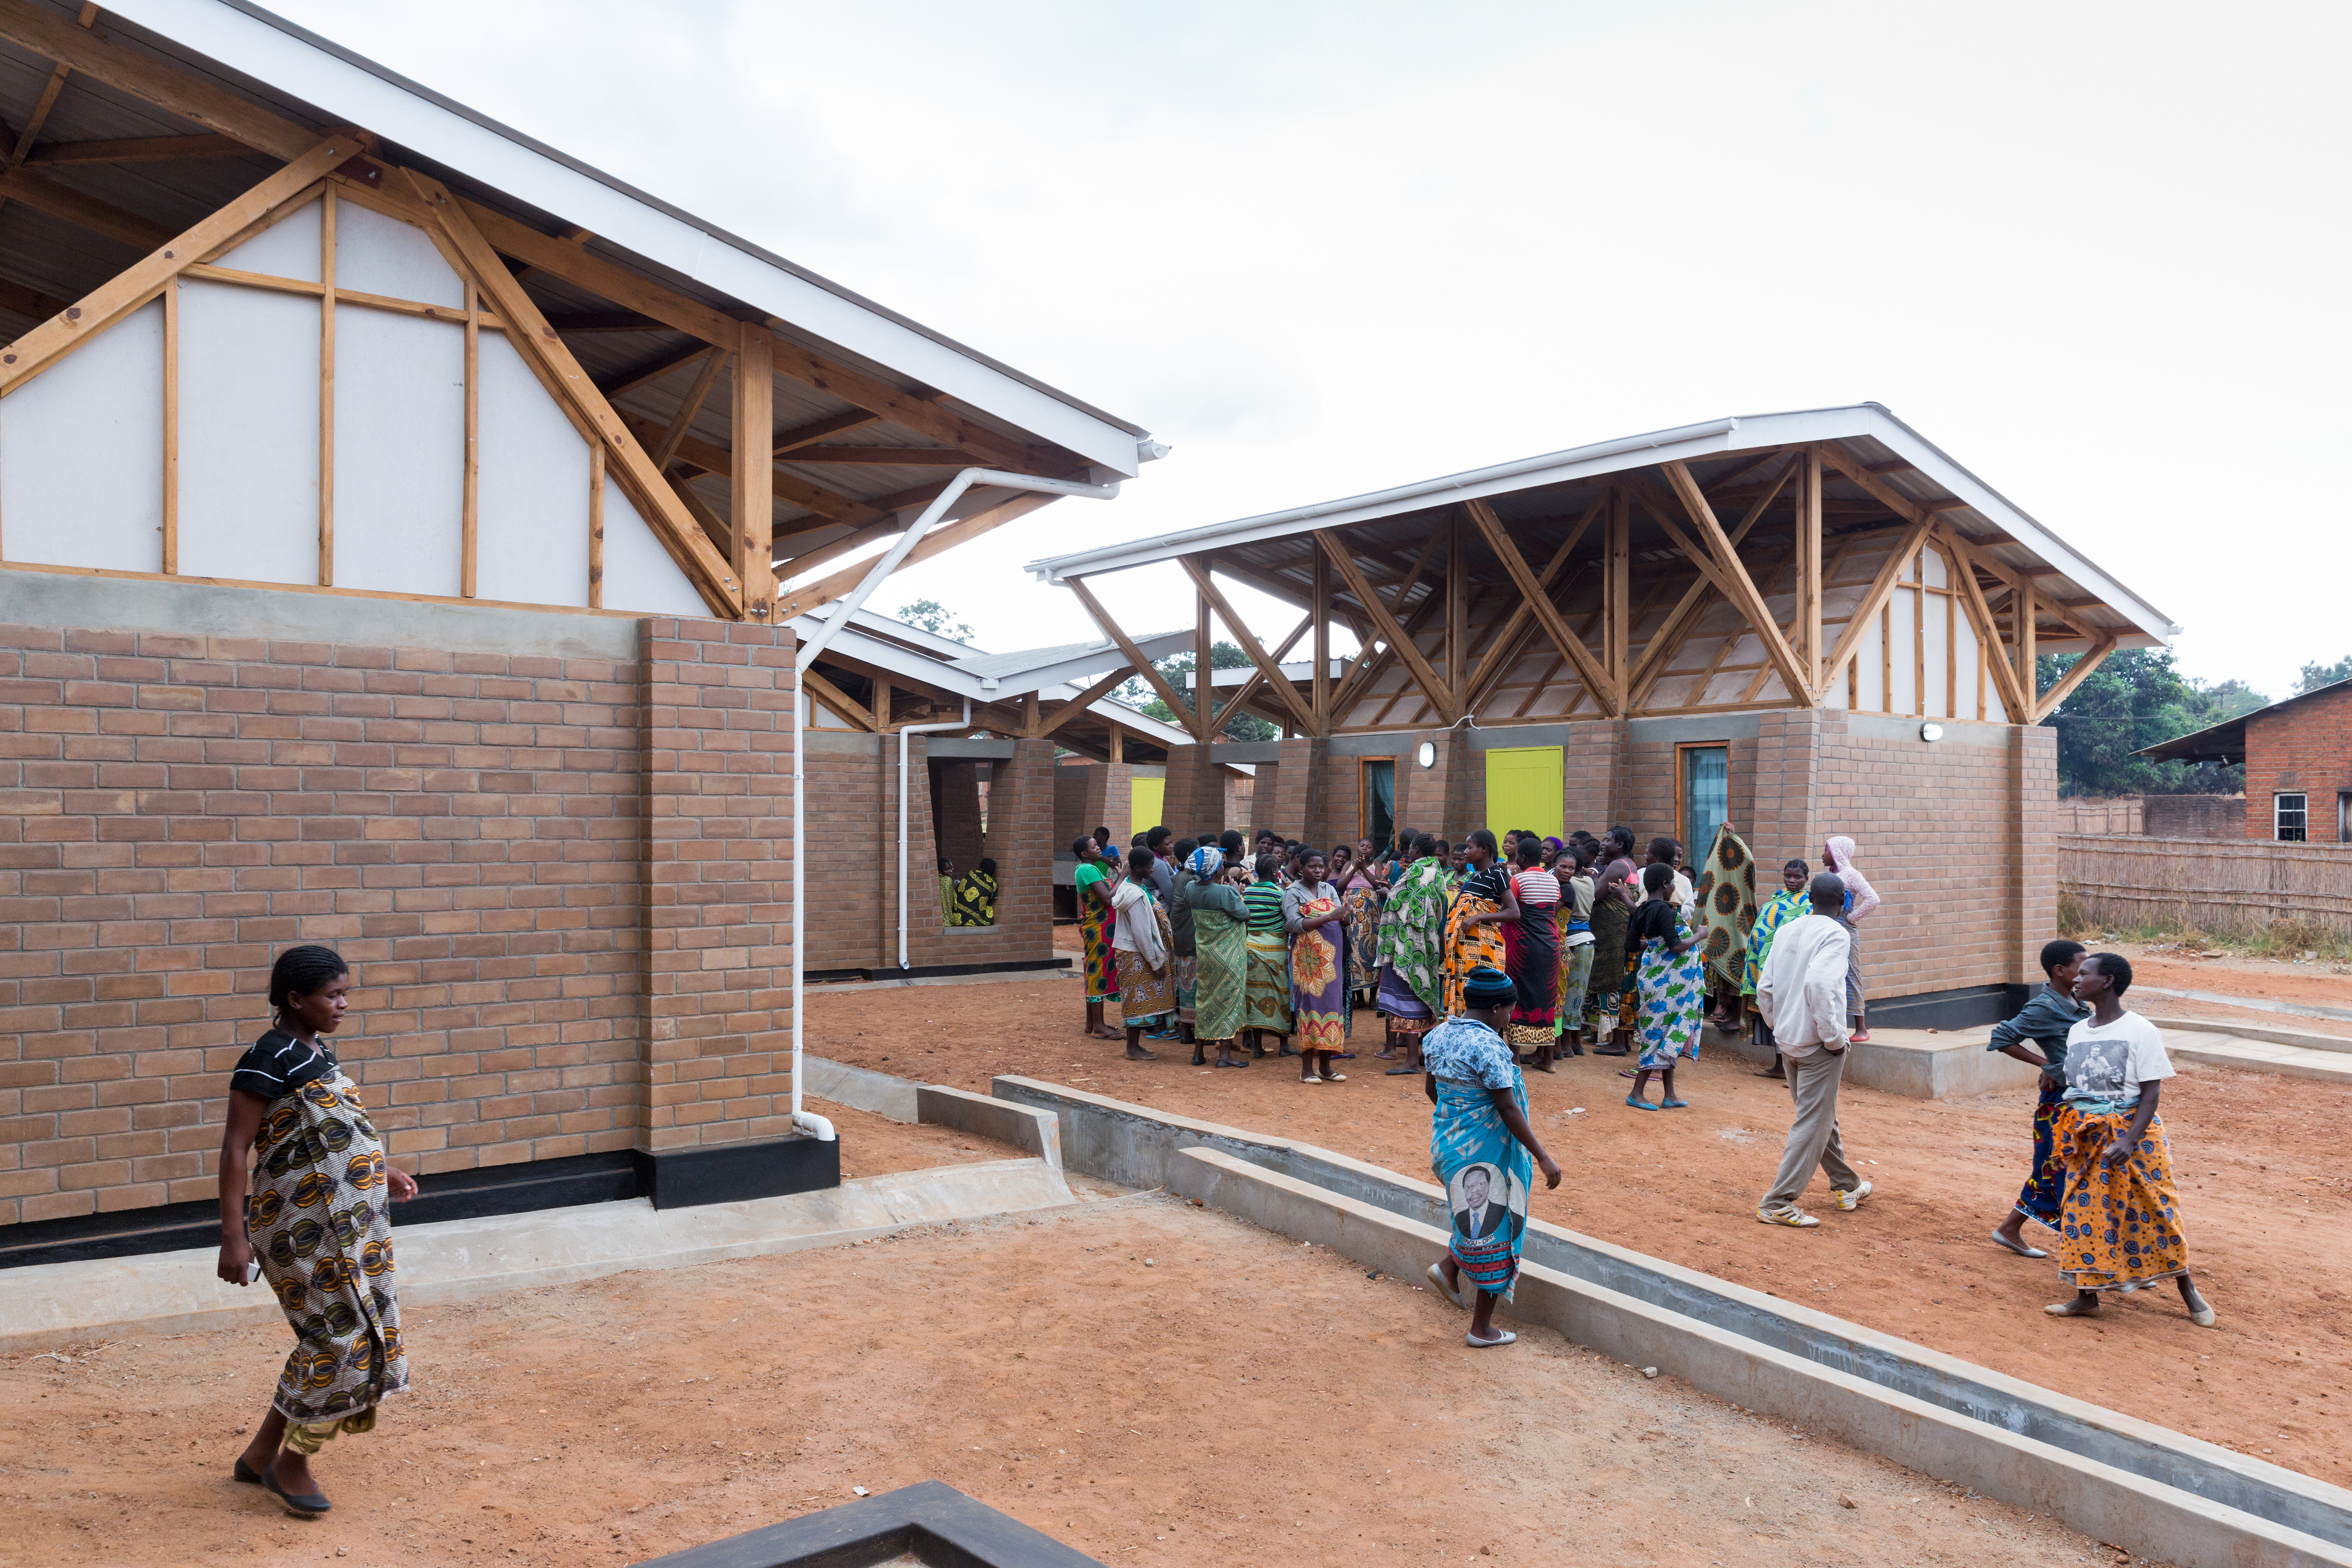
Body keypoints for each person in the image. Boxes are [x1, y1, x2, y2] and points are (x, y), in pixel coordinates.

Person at [217, 945, 417, 1516]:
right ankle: (293, 1459)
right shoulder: (266, 1057)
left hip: (345, 1226)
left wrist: (381, 1168)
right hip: (297, 1227)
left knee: (329, 1335)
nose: (343, 1004)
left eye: (344, 992)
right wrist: (233, 1235)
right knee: (340, 1338)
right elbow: (236, 1148)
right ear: (294, 999)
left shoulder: (315, 1050)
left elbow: (338, 1133)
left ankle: (260, 1454)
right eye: (332, 995)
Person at [2045, 954, 2215, 1327]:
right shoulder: (2078, 1030)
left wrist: (2129, 1141)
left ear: (2107, 981)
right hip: (2087, 1135)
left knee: (2155, 1210)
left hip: (2133, 1135)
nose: (2077, 978)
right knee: (2079, 1210)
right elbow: (2078, 1083)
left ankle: (2187, 1288)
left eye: (2085, 974)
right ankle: (2085, 1297)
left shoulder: (2141, 1030)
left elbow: (2151, 1094)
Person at [1422, 966, 1562, 1348]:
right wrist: (1542, 1157)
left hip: (1448, 1146)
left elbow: (1431, 1089)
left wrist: (1462, 1121)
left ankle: (1448, 1268)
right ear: (1497, 1008)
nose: (1510, 1018)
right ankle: (1481, 1329)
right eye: (1509, 1011)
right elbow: (1507, 1108)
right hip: (1483, 1156)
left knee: (1474, 1221)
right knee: (1494, 1227)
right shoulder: (1489, 1047)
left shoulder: (1437, 1035)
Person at [1754, 872, 1873, 1226]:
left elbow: (1766, 987)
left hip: (1789, 1040)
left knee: (1820, 1117)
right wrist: (1835, 1038)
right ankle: (1777, 1202)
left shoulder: (1789, 929)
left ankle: (1847, 1184)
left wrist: (1778, 1024)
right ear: (1842, 902)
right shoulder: (1837, 934)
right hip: (1818, 1044)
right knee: (1813, 1122)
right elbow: (1821, 984)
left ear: (1811, 899)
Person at [1987, 939, 2090, 1258]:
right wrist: (2046, 1065)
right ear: (2060, 971)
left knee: (2054, 1165)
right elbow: (2002, 1037)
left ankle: (2010, 1229)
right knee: (2059, 1167)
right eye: (2081, 967)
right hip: (2059, 1101)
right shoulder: (2044, 1007)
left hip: (2075, 1096)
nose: (2085, 972)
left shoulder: (2075, 1000)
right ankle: (2087, 1247)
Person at [1625, 863, 1704, 1110]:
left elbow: (1631, 946)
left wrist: (1654, 946)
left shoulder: (1642, 910)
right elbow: (1676, 946)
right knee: (1659, 1034)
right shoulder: (1665, 911)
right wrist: (1700, 935)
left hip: (1653, 978)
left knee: (1668, 1031)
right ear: (1664, 885)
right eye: (1672, 882)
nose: (1673, 887)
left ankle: (1670, 1094)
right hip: (1668, 983)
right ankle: (1636, 1093)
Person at [1376, 833, 1448, 1075]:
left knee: (1409, 994)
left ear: (1416, 849)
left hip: (1410, 944)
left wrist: (1388, 894)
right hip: (1427, 941)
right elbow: (1438, 907)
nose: (1409, 853)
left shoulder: (1418, 872)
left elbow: (1402, 903)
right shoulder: (1436, 872)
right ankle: (1419, 1056)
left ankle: (1410, 1060)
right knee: (1422, 991)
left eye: (1411, 849)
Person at [1742, 860, 1813, 1078]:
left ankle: (1795, 1070)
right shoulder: (1777, 898)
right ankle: (1779, 1066)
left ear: (1806, 879)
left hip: (1791, 968)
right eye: (1788, 876)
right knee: (1776, 1015)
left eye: (1797, 877)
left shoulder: (1809, 904)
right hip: (1768, 966)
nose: (1792, 880)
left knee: (1791, 1017)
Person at [1285, 849, 1350, 1083]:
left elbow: (1341, 918)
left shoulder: (1328, 889)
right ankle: (1306, 1070)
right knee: (1309, 1007)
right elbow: (1293, 923)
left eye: (1321, 867)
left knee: (1331, 1005)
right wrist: (1330, 917)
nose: (1318, 871)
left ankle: (1326, 1067)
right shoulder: (1293, 891)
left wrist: (1345, 915)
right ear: (1301, 868)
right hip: (1308, 963)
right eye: (1313, 867)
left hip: (1330, 963)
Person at [1184, 846, 1250, 1069]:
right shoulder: (1224, 893)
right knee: (1229, 1001)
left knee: (1204, 999)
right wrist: (1236, 892)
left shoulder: (1190, 889)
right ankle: (1224, 1055)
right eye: (1220, 863)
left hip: (1205, 954)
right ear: (1214, 869)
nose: (1224, 866)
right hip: (1229, 956)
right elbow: (1244, 915)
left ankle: (1198, 1053)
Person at [1502, 836, 1563, 1071]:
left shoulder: (1518, 879)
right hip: (1550, 947)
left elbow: (1510, 909)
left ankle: (1515, 1058)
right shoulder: (1554, 882)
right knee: (1546, 998)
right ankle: (1548, 1060)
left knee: (1518, 995)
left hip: (1524, 947)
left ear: (1522, 858)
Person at [1443, 830, 1517, 1017]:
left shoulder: (1497, 874)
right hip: (1463, 951)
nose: (1466, 851)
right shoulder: (1473, 878)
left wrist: (1478, 917)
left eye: (1469, 847)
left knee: (1483, 999)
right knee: (1465, 997)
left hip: (1484, 949)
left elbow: (1514, 912)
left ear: (1484, 849)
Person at [1110, 847, 1173, 1060]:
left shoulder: (1133, 886)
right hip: (1137, 954)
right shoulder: (1135, 896)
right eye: (1149, 866)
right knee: (1137, 1002)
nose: (1152, 870)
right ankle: (1132, 1048)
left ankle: (1135, 1046)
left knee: (1138, 1000)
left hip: (1135, 952)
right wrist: (1155, 962)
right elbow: (1141, 932)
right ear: (1137, 868)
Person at [1694, 823, 1757, 1032]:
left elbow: (1747, 860)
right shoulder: (1716, 879)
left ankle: (1738, 1016)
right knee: (1723, 968)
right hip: (1724, 928)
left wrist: (1734, 840)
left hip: (1741, 927)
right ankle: (1726, 1008)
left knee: (1738, 967)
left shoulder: (1743, 876)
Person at [1585, 827, 1637, 1053]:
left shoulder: (1617, 865)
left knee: (1613, 983)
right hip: (1619, 931)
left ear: (1621, 845)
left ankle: (1616, 1042)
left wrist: (1592, 879)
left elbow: (1595, 896)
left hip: (1612, 936)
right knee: (1620, 981)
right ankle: (1619, 1040)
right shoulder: (1628, 864)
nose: (1603, 843)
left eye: (1608, 840)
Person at [1823, 835, 1879, 1042]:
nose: (1823, 854)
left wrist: (1853, 917)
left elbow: (1873, 899)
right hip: (1828, 928)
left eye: (1826, 849)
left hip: (1845, 930)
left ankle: (1861, 1028)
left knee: (1851, 974)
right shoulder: (1830, 875)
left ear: (1837, 852)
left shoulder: (1852, 875)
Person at [1240, 853, 1294, 1055]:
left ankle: (1258, 1047)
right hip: (1275, 951)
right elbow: (1288, 917)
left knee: (1254, 996)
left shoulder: (1248, 891)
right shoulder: (1279, 893)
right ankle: (1284, 1046)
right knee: (1280, 996)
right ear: (1274, 871)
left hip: (1251, 950)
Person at [1071, 837, 1120, 1040]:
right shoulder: (1088, 870)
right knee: (1097, 971)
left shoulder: (1088, 868)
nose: (1098, 847)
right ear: (1085, 853)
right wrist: (1123, 876)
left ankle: (1092, 1023)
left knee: (1094, 969)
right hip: (1098, 927)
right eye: (1094, 846)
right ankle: (1098, 1026)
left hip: (1099, 926)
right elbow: (1108, 898)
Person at [1553, 841, 1597, 1058]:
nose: (1566, 872)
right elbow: (1589, 876)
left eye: (1569, 868)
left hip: (1574, 939)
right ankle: (1575, 1044)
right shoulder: (1588, 880)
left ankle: (1565, 1046)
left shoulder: (1569, 886)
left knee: (1566, 994)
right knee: (1576, 994)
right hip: (1586, 941)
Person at [1337, 845, 1384, 1011]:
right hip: (1351, 912)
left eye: (1369, 847)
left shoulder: (1377, 863)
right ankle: (1357, 996)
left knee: (1370, 949)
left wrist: (1363, 869)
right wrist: (1354, 869)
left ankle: (1372, 997)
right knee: (1353, 950)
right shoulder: (1348, 864)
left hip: (1370, 913)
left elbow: (1377, 883)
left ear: (1374, 851)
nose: (1364, 849)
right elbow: (1340, 885)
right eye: (1362, 845)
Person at [1167, 838, 1200, 1042]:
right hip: (1188, 936)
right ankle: (1190, 1031)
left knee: (1186, 983)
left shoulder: (1182, 875)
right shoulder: (1190, 878)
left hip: (1182, 934)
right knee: (1191, 985)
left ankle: (1187, 1030)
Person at [947, 857, 999, 928]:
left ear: (982, 868)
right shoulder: (993, 884)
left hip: (957, 915)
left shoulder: (971, 874)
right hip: (975, 919)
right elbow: (994, 898)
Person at [936, 856, 957, 926]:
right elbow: (949, 900)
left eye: (951, 868)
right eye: (947, 869)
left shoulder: (939, 879)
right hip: (946, 913)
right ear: (940, 870)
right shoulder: (947, 880)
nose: (950, 871)